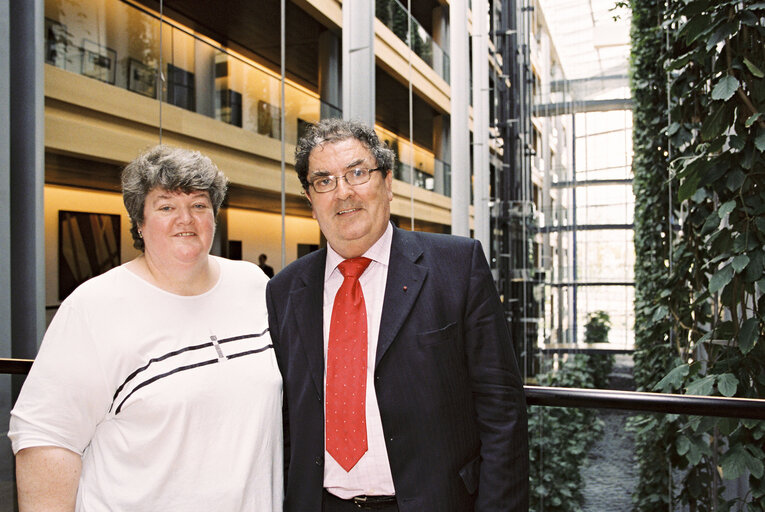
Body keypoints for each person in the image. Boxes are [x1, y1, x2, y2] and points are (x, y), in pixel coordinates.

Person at [266, 119, 529, 512]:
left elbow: (502, 415)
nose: (343, 193)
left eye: (357, 173)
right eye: (324, 181)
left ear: (387, 182)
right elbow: (285, 420)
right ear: (309, 197)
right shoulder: (284, 290)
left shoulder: (458, 266)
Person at [9, 145, 283, 511]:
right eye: (166, 206)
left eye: (199, 205)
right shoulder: (94, 307)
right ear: (139, 223)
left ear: (214, 216)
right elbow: (46, 439)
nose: (185, 219)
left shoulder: (250, 283)